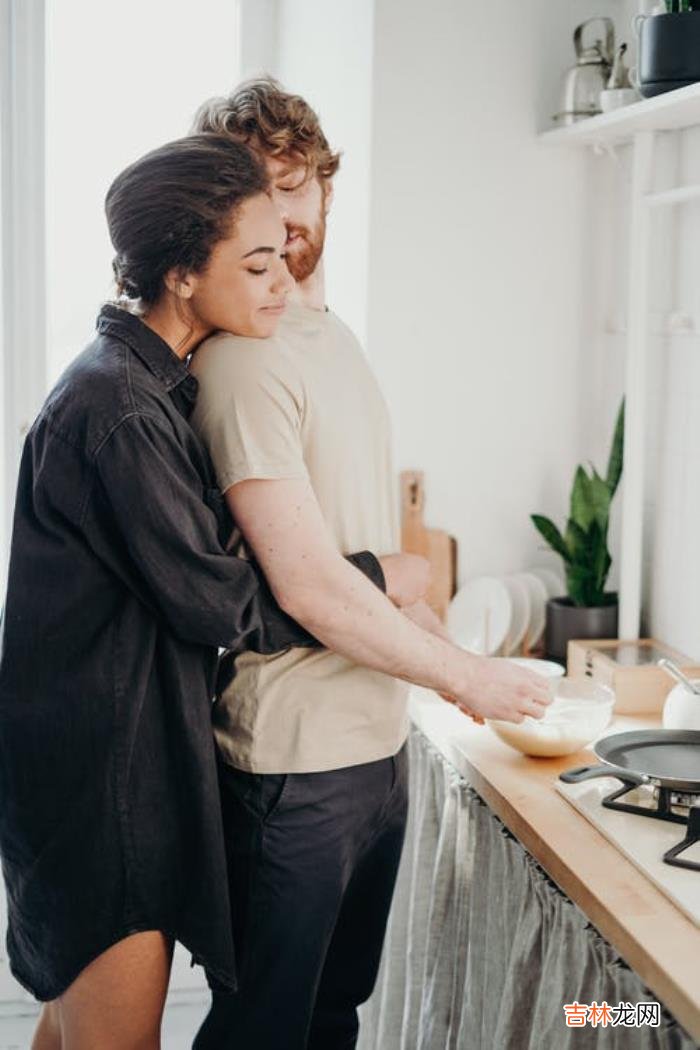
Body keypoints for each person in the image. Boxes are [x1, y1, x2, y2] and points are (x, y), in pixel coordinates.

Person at [0, 134, 401, 1050]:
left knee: (67, 1031)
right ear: (182, 274)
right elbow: (220, 603)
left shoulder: (137, 383)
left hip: (87, 766)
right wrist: (379, 580)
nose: (281, 279)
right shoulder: (121, 412)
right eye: (256, 262)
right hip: (104, 794)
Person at [188, 80, 550, 1050]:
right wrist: (464, 674)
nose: (285, 213)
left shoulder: (327, 336)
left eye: (298, 186)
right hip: (290, 767)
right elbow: (303, 585)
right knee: (263, 1029)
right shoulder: (243, 359)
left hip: (375, 751)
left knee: (333, 1020)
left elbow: (358, 540)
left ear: (326, 192)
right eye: (257, 192)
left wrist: (439, 657)